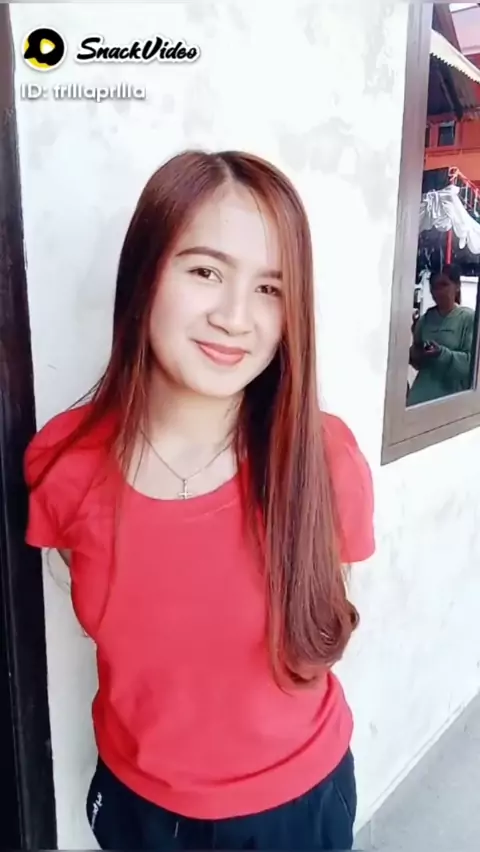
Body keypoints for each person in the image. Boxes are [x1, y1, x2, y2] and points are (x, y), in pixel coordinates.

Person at [24, 150, 375, 851]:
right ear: (145, 272)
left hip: (296, 810)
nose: (235, 317)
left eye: (270, 288)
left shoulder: (324, 459)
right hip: (136, 805)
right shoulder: (63, 461)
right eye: (206, 272)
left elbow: (331, 603)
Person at [407, 264, 475, 407]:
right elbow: (417, 363)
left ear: (457, 286)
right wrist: (414, 352)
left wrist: (441, 354)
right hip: (420, 398)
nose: (438, 291)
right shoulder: (425, 319)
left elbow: (472, 366)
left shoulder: (468, 319)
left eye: (444, 284)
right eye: (434, 286)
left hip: (451, 401)